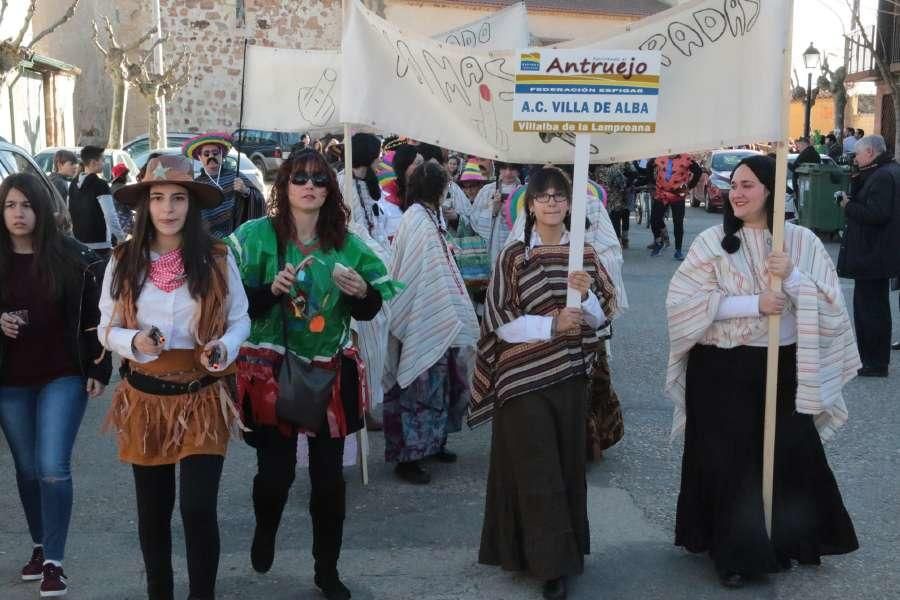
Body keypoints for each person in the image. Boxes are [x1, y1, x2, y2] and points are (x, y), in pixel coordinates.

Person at [667, 155, 859, 589]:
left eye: (748, 185)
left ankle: (792, 536)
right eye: (734, 184)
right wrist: (753, 303)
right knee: (732, 461)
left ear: (771, 190)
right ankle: (738, 553)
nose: (737, 192)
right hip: (721, 369)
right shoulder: (710, 242)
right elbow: (680, 305)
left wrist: (791, 278)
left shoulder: (802, 242)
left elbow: (831, 306)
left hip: (782, 365)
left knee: (790, 452)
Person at [227, 148, 400, 600]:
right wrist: (268, 290)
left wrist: (362, 292)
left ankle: (327, 571)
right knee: (275, 477)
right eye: (299, 178)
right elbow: (228, 299)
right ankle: (266, 529)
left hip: (330, 371)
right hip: (270, 371)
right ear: (283, 185)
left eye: (319, 180)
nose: (309, 186)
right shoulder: (253, 236)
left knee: (327, 482)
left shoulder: (349, 244)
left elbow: (370, 306)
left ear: (330, 190)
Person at [98, 154, 251, 600]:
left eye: (179, 198)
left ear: (192, 205)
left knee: (198, 508)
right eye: (158, 197)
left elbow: (240, 319)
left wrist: (227, 345)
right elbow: (106, 326)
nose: (168, 208)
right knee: (154, 512)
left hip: (203, 398)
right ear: (145, 204)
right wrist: (134, 342)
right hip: (145, 399)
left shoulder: (218, 258)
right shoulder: (124, 260)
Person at [469, 166, 617, 600]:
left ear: (571, 203)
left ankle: (553, 552)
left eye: (559, 195)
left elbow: (605, 315)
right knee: (536, 467)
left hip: (570, 375)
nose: (552, 202)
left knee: (565, 465)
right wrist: (551, 325)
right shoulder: (513, 256)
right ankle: (548, 566)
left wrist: (586, 296)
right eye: (543, 196)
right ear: (530, 205)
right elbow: (498, 321)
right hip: (521, 379)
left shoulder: (585, 256)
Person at [0, 173, 111, 598]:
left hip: (62, 375)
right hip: (10, 381)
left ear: (41, 209)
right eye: (10, 205)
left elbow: (96, 317)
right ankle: (39, 544)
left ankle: (54, 562)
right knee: (26, 469)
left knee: (51, 466)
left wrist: (99, 368)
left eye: (26, 204)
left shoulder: (72, 258)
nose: (18, 213)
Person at [384, 160, 479, 484]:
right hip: (421, 318)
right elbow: (418, 274)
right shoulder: (419, 221)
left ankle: (434, 443)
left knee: (441, 387)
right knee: (418, 390)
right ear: (439, 190)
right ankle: (407, 457)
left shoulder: (426, 216)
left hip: (435, 317)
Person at [836, 134, 900, 377]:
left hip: (873, 255)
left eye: (858, 154)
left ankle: (874, 362)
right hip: (877, 254)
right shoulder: (887, 171)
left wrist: (848, 206)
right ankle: (872, 359)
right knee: (873, 309)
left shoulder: (883, 176)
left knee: (870, 311)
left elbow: (877, 214)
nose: (855, 159)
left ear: (871, 153)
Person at [182, 132, 265, 238]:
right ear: (200, 157)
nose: (211, 156)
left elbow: (259, 200)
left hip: (237, 238)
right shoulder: (197, 185)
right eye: (206, 154)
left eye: (215, 153)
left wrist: (246, 191)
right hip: (209, 240)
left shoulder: (236, 176)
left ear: (222, 155)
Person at [68, 145, 125, 256]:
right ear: (93, 162)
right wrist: (121, 238)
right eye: (102, 160)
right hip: (101, 245)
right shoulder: (100, 184)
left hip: (79, 243)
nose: (104, 163)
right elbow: (110, 215)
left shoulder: (73, 184)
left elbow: (69, 212)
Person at [650, 154, 701, 260]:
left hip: (678, 195)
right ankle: (659, 242)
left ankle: (678, 250)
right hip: (661, 193)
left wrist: (690, 186)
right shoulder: (660, 156)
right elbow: (649, 165)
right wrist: (652, 182)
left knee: (678, 222)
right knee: (655, 219)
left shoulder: (686, 158)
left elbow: (698, 171)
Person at [470, 161, 523, 264]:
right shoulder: (487, 190)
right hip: (493, 244)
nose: (508, 173)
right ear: (499, 168)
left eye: (512, 168)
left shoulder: (524, 192)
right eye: (504, 168)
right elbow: (474, 218)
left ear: (519, 171)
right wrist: (493, 211)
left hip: (517, 243)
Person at [594, 162, 630, 248]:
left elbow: (599, 184)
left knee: (615, 218)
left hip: (611, 198)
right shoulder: (621, 166)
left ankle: (618, 241)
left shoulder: (599, 169)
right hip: (622, 196)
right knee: (624, 216)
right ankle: (625, 240)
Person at [110, 162, 134, 237]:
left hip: (115, 223)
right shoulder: (122, 189)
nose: (127, 177)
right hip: (124, 224)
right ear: (122, 177)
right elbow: (131, 205)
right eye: (126, 175)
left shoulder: (112, 188)